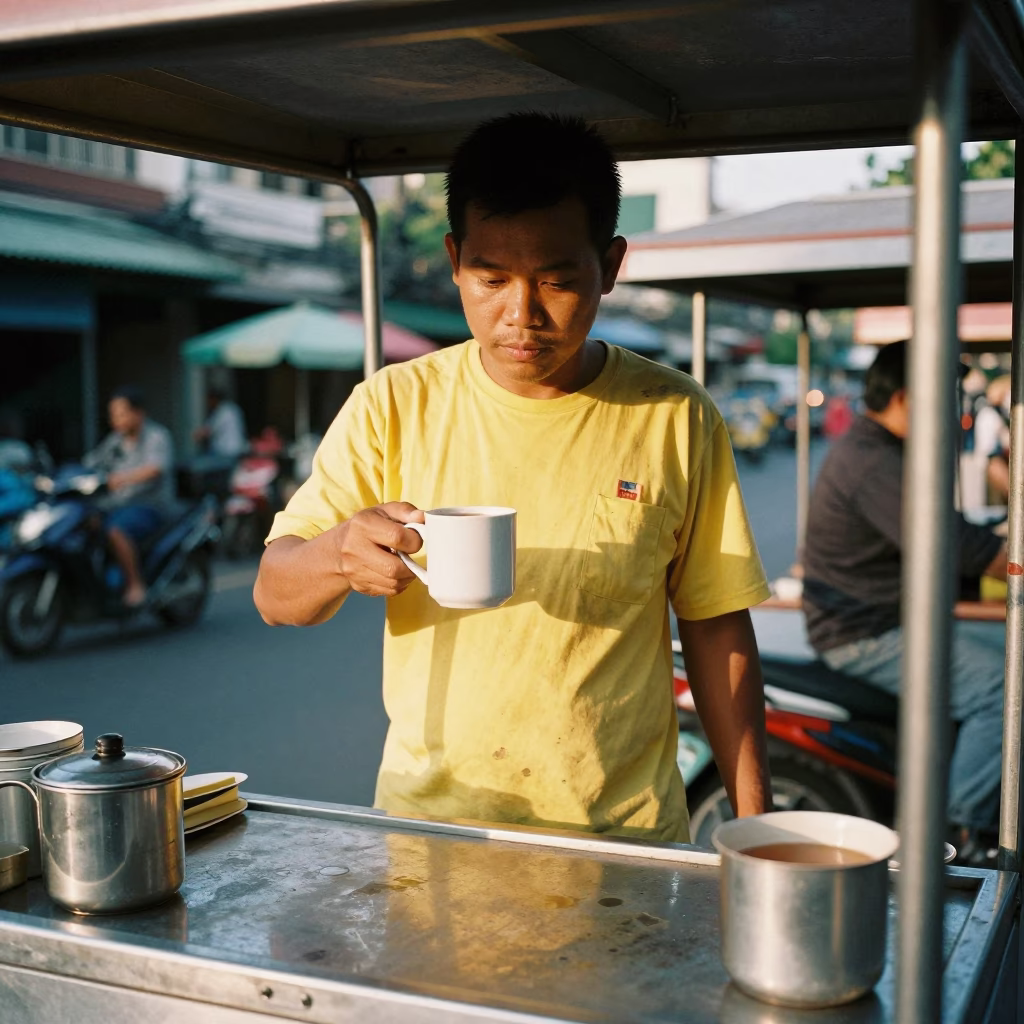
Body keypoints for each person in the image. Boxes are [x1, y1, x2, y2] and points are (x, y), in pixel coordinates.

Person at [254, 113, 772, 843]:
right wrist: (338, 552)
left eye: (557, 282)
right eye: (491, 279)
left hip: (623, 846)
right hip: (429, 840)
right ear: (454, 259)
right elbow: (277, 596)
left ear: (612, 265)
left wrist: (759, 828)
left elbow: (717, 627)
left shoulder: (675, 415)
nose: (519, 316)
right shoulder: (393, 406)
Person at [802, 341, 1007, 857]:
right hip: (864, 633)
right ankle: (960, 835)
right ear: (907, 397)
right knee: (1005, 685)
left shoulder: (883, 450)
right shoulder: (872, 460)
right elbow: (957, 545)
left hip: (890, 619)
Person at [84, 387, 174, 608]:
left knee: (116, 530)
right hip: (118, 504)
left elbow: (155, 469)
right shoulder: (115, 440)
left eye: (121, 413)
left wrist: (122, 478)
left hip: (149, 506)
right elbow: (90, 462)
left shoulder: (156, 436)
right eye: (113, 414)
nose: (116, 419)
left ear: (138, 413)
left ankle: (136, 584)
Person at [194, 386, 247, 460]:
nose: (207, 403)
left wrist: (199, 435)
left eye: (209, 400)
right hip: (231, 451)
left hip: (227, 452)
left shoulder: (224, 411)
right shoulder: (231, 408)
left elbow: (208, 430)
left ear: (214, 399)